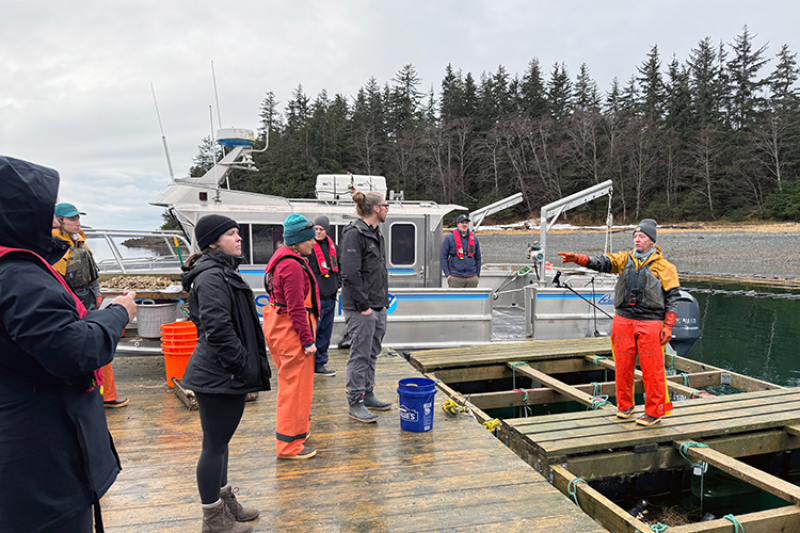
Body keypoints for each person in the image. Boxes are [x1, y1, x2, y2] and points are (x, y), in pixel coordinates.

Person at [0, 155, 136, 532]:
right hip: (39, 462)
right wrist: (118, 313)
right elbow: (73, 351)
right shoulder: (19, 279)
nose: (56, 222)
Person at [180, 214, 272, 533]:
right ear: (212, 242)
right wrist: (241, 365)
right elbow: (217, 329)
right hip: (218, 376)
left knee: (221, 443)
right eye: (231, 234)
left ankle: (225, 505)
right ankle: (213, 520)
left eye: (237, 233)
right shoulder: (211, 277)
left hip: (221, 374)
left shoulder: (220, 271)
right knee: (214, 445)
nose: (239, 238)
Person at [558, 219, 679, 427]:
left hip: (650, 323)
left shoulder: (666, 267)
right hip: (623, 320)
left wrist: (668, 326)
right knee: (622, 367)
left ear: (651, 241)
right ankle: (625, 406)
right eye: (635, 236)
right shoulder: (624, 259)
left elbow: (672, 297)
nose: (637, 240)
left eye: (641, 237)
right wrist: (578, 259)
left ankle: (655, 411)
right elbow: (602, 262)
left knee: (653, 370)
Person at [52, 202, 129, 408]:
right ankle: (82, 396)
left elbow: (93, 274)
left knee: (99, 344)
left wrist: (97, 294)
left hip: (88, 300)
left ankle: (108, 396)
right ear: (60, 221)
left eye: (78, 218)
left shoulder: (81, 245)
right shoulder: (53, 248)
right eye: (73, 219)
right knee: (78, 347)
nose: (78, 223)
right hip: (68, 303)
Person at [263, 214, 321, 459]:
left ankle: (299, 433)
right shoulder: (291, 265)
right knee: (293, 390)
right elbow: (296, 308)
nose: (313, 244)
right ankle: (288, 446)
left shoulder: (282, 258)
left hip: (280, 327)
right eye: (309, 240)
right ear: (297, 242)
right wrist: (308, 341)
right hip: (293, 333)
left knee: (297, 387)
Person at [340, 191, 392, 423]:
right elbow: (350, 274)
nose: (388, 209)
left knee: (372, 353)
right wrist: (364, 307)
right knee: (359, 355)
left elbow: (376, 271)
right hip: (362, 308)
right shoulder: (354, 234)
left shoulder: (375, 233)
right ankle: (355, 401)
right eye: (385, 205)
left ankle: (368, 393)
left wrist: (382, 302)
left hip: (378, 306)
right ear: (375, 209)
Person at [306, 215, 340, 377]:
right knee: (312, 332)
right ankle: (308, 364)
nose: (318, 232)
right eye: (316, 229)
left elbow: (340, 267)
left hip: (330, 296)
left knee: (325, 333)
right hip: (315, 298)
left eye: (321, 229)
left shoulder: (334, 247)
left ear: (327, 231)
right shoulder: (309, 248)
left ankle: (320, 363)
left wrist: (337, 284)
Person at [441, 214, 482, 288]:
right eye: (462, 223)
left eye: (466, 223)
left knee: (472, 299)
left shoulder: (474, 239)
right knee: (455, 299)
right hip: (455, 277)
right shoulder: (449, 238)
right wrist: (448, 275)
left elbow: (478, 258)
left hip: (472, 277)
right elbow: (443, 257)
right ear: (458, 224)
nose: (464, 225)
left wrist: (477, 274)